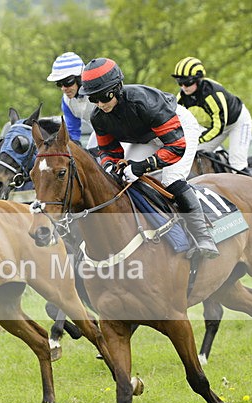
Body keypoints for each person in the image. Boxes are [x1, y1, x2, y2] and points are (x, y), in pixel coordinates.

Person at [79, 57, 218, 259]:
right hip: (147, 137)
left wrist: (141, 166)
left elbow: (176, 146)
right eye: (94, 99)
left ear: (117, 88)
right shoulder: (98, 117)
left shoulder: (143, 101)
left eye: (104, 97)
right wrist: (110, 166)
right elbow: (109, 150)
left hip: (178, 130)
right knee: (122, 179)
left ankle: (203, 236)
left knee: (172, 179)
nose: (100, 104)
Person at [171, 57, 252, 175]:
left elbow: (218, 127)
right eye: (180, 82)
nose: (183, 87)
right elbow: (175, 120)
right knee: (192, 152)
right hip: (216, 125)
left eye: (187, 82)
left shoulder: (212, 95)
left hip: (237, 123)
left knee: (237, 164)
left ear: (198, 80)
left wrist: (197, 139)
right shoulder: (182, 97)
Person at [46, 52, 96, 149]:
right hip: (100, 135)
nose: (63, 88)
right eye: (59, 84)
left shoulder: (97, 90)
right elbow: (73, 132)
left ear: (80, 78)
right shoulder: (66, 102)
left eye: (67, 82)